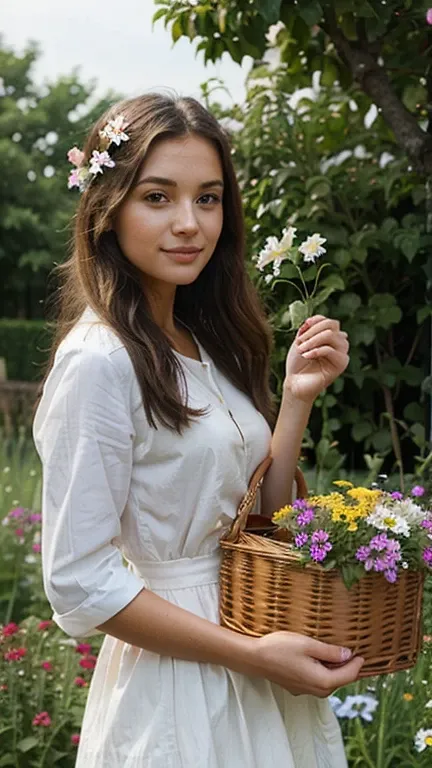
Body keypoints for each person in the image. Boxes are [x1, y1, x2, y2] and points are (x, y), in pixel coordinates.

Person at [33, 92, 363, 768]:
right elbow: (79, 580)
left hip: (260, 640)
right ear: (107, 208)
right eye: (158, 197)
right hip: (179, 675)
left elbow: (261, 518)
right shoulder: (100, 362)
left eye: (208, 199)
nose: (190, 224)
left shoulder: (200, 340)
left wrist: (294, 402)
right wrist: (250, 655)